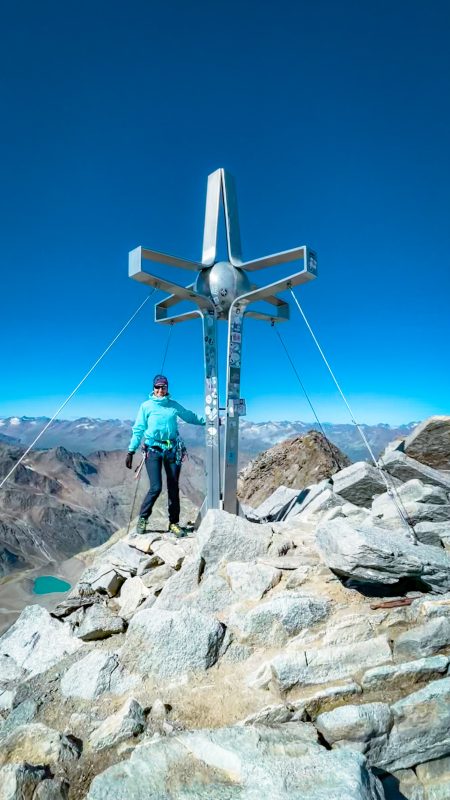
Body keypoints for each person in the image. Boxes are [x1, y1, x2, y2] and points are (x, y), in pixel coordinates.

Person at [125, 374, 205, 536]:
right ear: (153, 388)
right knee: (156, 487)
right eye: (157, 387)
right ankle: (143, 518)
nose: (160, 390)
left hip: (172, 450)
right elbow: (139, 428)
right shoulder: (146, 406)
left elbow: (190, 416)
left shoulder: (173, 405)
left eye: (163, 387)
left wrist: (210, 420)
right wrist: (131, 450)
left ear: (167, 388)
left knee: (173, 487)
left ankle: (173, 523)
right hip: (153, 450)